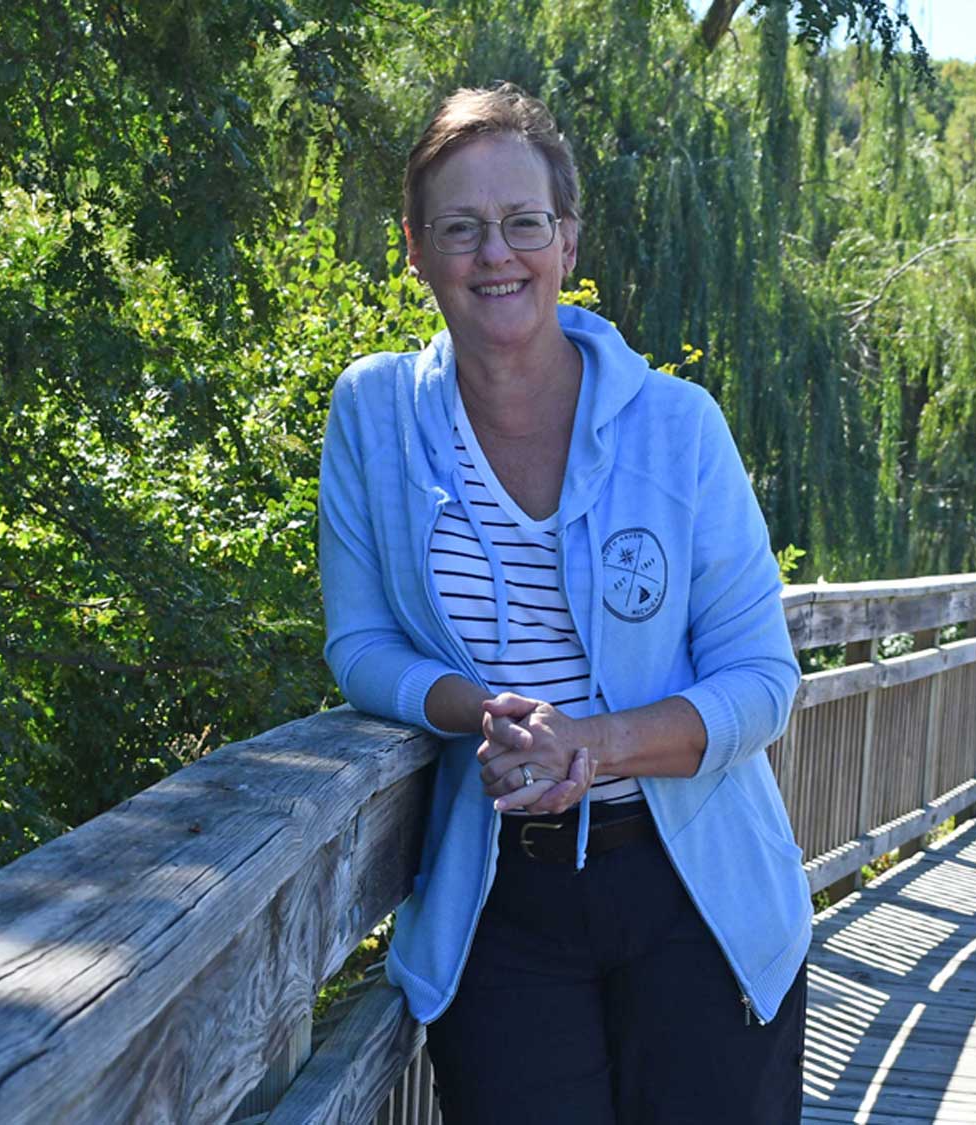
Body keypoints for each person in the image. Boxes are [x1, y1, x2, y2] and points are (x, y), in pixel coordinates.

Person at [316, 82, 809, 1124]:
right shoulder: (372, 414)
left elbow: (762, 682)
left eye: (522, 222)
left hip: (699, 893)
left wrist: (591, 746)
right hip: (500, 900)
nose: (494, 253)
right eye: (460, 227)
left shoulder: (677, 427)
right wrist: (471, 709)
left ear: (566, 239)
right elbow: (358, 645)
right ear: (414, 248)